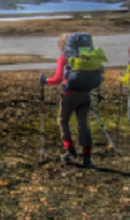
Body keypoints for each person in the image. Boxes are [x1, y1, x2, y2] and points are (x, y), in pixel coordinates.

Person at [40, 33, 93, 168]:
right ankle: (87, 157)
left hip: (69, 96)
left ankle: (70, 151)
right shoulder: (86, 56)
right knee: (83, 125)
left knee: (63, 121)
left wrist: (45, 81)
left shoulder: (63, 58)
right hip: (86, 94)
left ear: (63, 45)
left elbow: (57, 79)